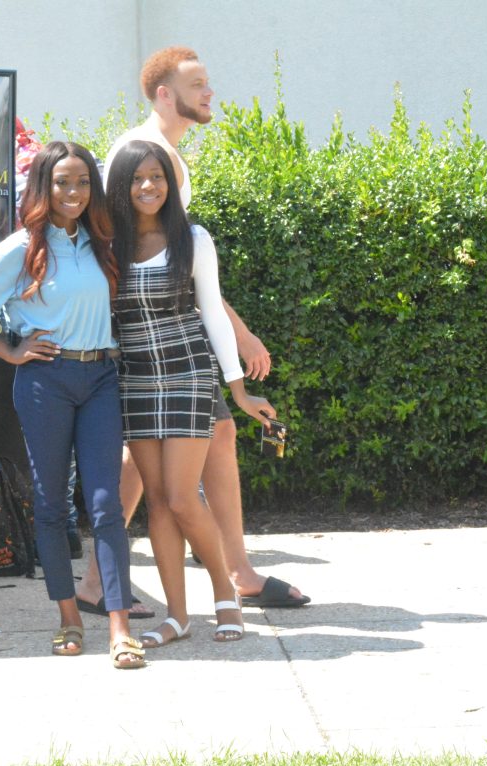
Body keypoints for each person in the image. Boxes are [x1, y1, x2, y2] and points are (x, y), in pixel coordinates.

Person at [75, 46, 310, 616]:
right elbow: (148, 269)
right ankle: (224, 576)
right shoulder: (143, 155)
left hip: (176, 351)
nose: (210, 93)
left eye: (208, 82)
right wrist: (241, 333)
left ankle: (232, 570)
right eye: (197, 84)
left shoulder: (167, 156)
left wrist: (233, 335)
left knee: (211, 443)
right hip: (154, 354)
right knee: (158, 469)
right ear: (163, 94)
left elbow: (184, 264)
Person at [0, 141, 145, 669]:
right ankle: (68, 619)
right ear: (43, 187)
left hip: (101, 376)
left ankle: (119, 628)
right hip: (45, 381)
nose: (74, 192)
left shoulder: (103, 244)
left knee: (105, 505)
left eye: (82, 182)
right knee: (52, 503)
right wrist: (11, 351)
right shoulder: (22, 248)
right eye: (62, 182)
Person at [106, 139, 275, 647]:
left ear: (170, 184)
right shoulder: (106, 242)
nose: (148, 186)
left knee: (181, 496)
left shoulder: (192, 238)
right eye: (137, 178)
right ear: (121, 186)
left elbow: (215, 316)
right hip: (134, 381)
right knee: (157, 502)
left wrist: (239, 392)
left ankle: (225, 595)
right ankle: (177, 616)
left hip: (187, 375)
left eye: (157, 176)